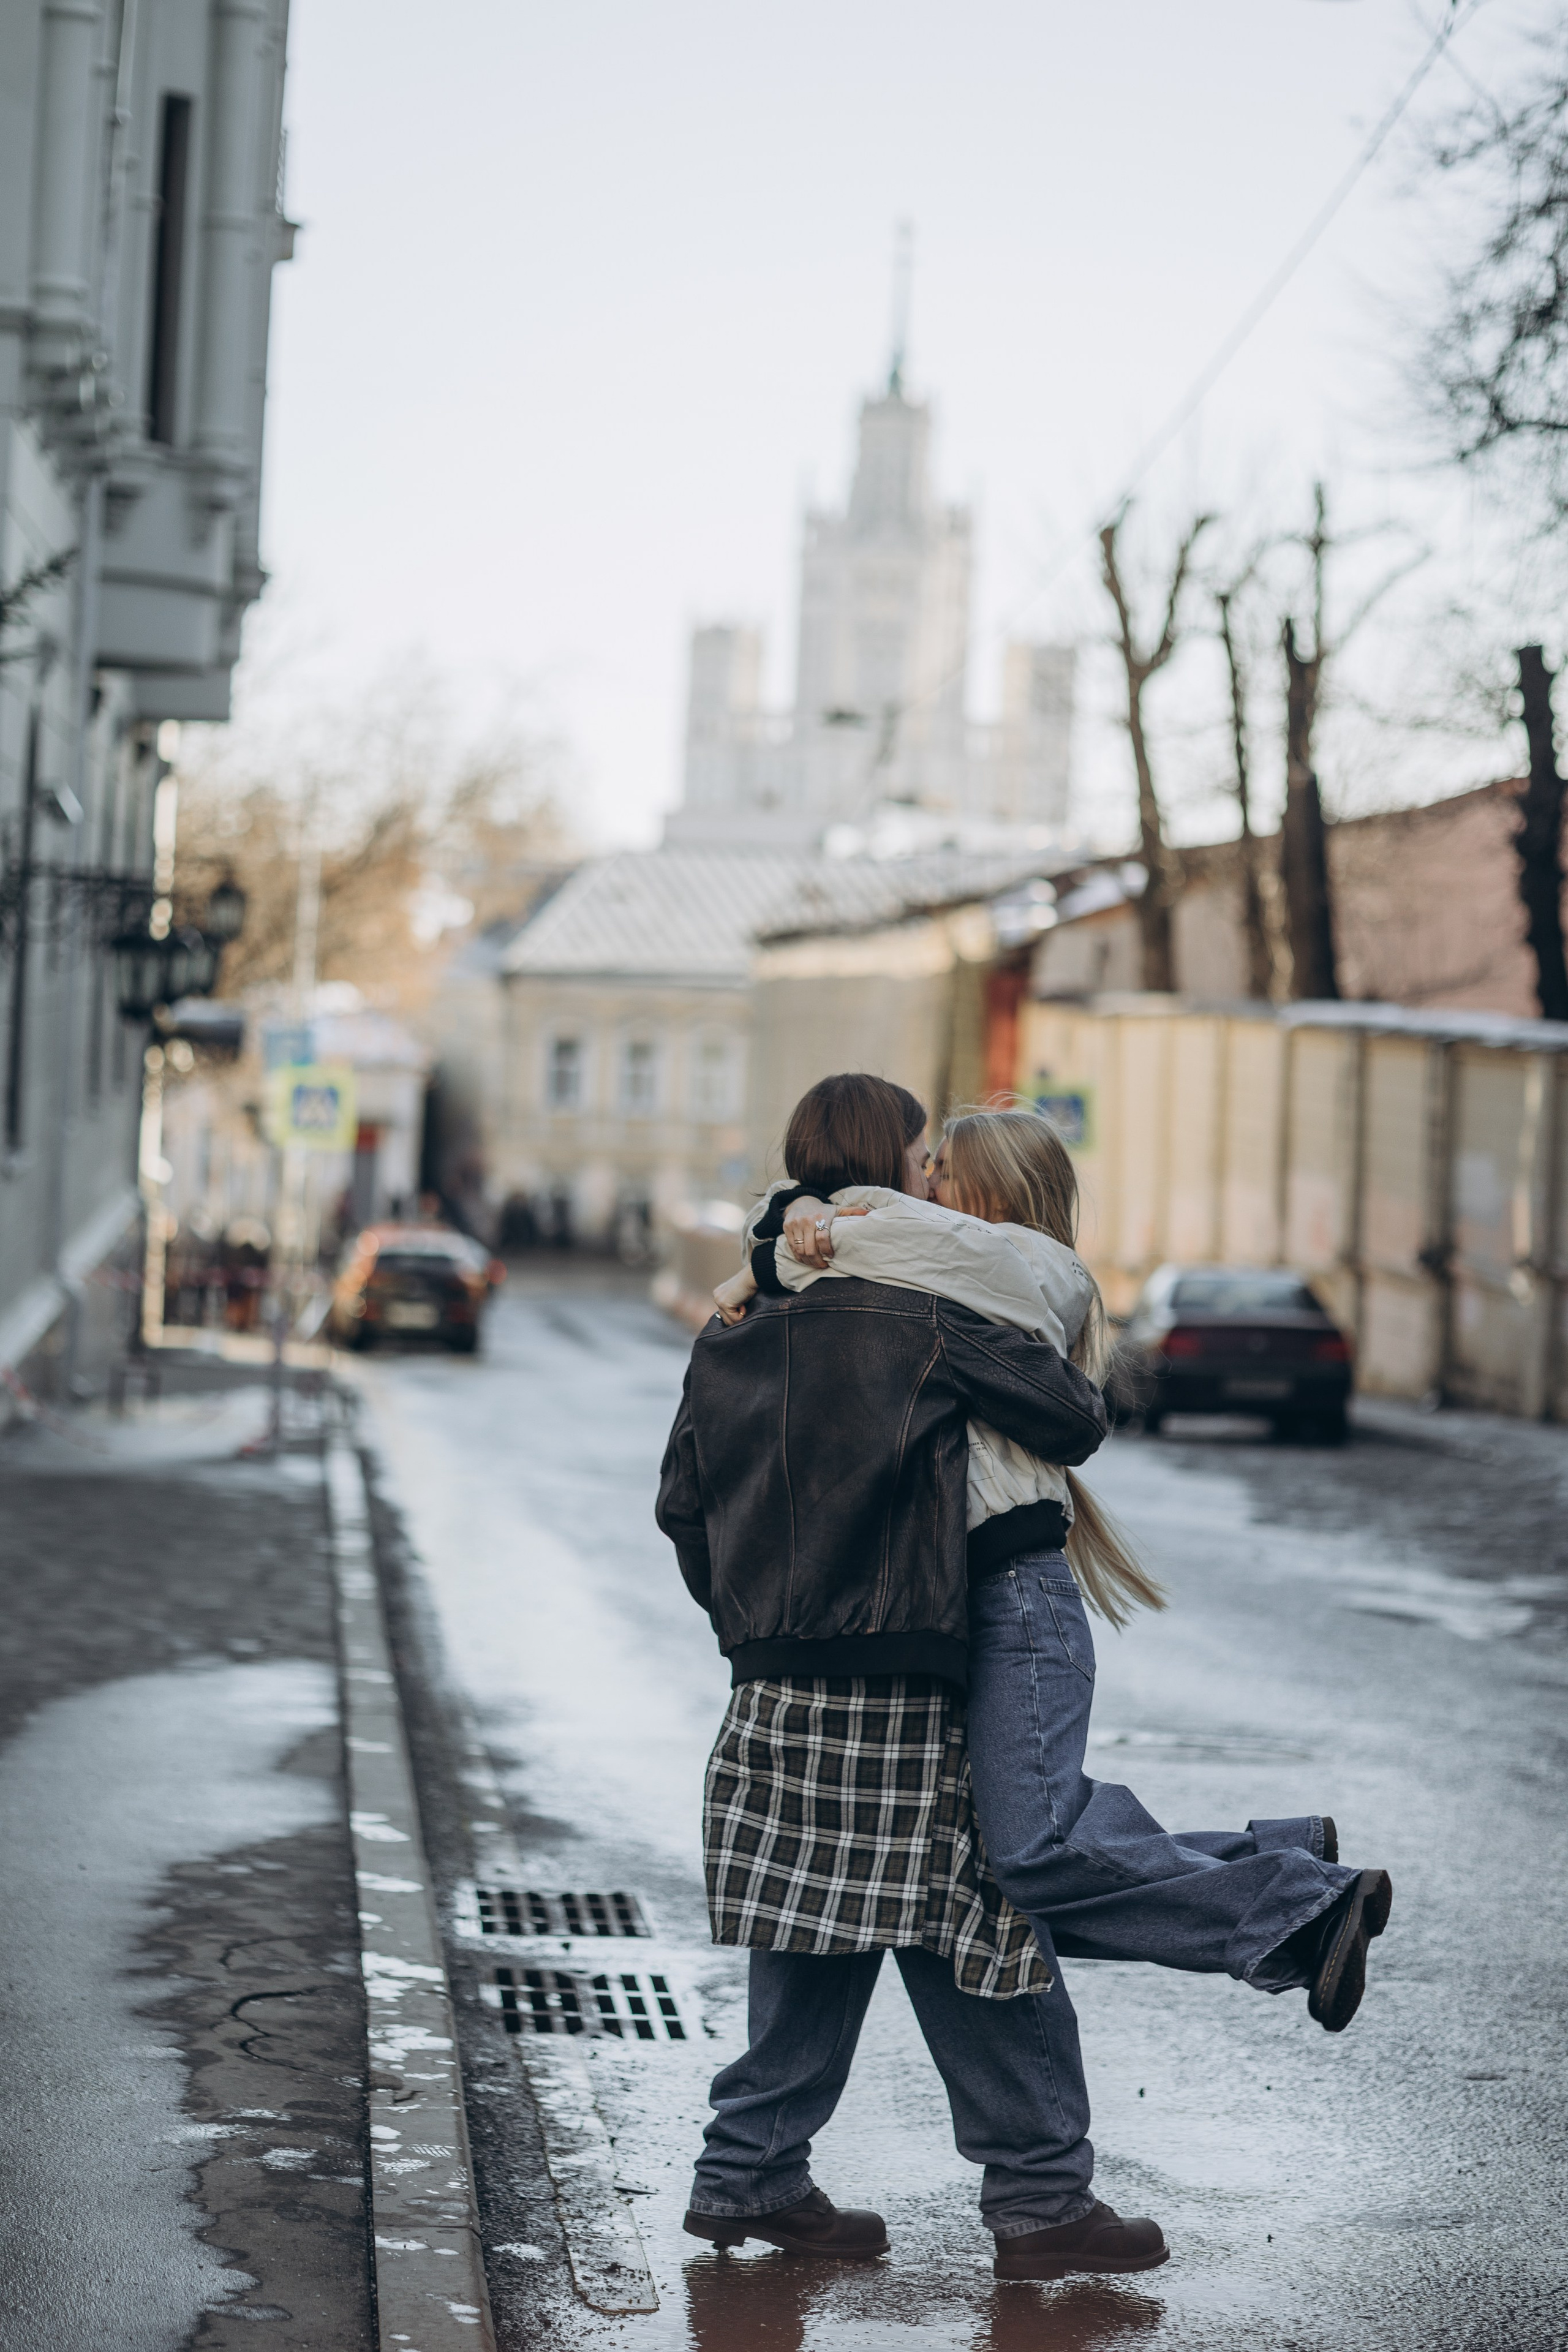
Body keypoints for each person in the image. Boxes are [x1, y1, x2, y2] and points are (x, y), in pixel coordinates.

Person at [728, 1101, 1392, 2039]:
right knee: (991, 1861)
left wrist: (789, 1239)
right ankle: (1278, 1869)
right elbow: (871, 1251)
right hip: (956, 1599)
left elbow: (875, 1248)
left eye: (941, 1168)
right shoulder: (946, 1263)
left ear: (991, 1188)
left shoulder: (1027, 1267)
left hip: (1017, 1601)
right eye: (922, 1164)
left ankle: (1298, 1904)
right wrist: (794, 1216)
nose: (924, 1184)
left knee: (1030, 1854)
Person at [656, 1074, 1169, 2282]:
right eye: (921, 1159)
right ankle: (1041, 2196)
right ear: (890, 1170)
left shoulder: (734, 1324)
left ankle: (751, 2170)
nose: (931, 1180)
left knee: (815, 1916)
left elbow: (683, 1503)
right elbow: (1071, 1414)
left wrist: (756, 1624)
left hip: (774, 1678)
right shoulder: (910, 1312)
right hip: (904, 1655)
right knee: (970, 1913)